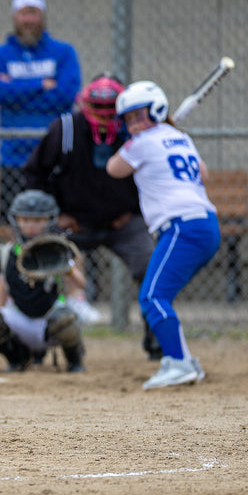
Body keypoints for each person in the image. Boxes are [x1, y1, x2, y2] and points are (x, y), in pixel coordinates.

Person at [23, 73, 162, 358]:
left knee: (152, 267)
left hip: (123, 222)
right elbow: (35, 174)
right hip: (74, 222)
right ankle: (38, 343)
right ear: (83, 104)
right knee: (40, 262)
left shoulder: (136, 132)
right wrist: (56, 213)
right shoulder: (65, 129)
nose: (103, 116)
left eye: (111, 110)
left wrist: (135, 211)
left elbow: (155, 177)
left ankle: (158, 343)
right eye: (97, 109)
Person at [107, 81, 220, 390]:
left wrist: (139, 142)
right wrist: (169, 137)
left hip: (182, 227)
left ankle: (177, 363)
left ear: (157, 112)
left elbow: (113, 168)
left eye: (139, 116)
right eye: (128, 119)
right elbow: (204, 173)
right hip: (206, 226)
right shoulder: (181, 137)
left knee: (152, 296)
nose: (133, 124)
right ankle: (183, 360)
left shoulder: (142, 143)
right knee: (160, 297)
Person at [0, 0, 81, 221]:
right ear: (15, 17)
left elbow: (66, 95)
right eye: (24, 13)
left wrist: (16, 88)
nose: (29, 20)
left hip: (57, 155)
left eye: (34, 13)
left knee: (62, 221)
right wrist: (41, 84)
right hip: (15, 158)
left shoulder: (63, 52)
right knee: (15, 224)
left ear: (43, 16)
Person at [0, 190, 86, 373]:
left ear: (49, 221)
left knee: (65, 318)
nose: (31, 226)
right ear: (16, 221)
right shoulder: (5, 254)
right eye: (25, 220)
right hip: (21, 320)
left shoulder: (57, 250)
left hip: (49, 321)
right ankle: (18, 359)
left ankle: (74, 359)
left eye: (38, 221)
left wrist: (66, 266)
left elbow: (80, 285)